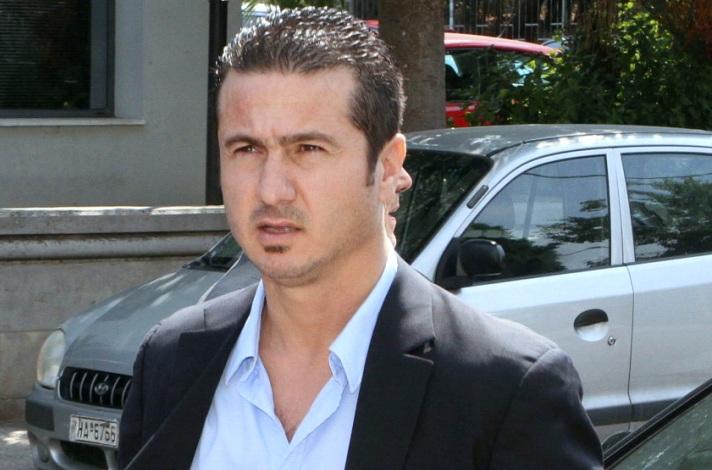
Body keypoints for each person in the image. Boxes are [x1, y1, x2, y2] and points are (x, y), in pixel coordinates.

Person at [119, 8, 602, 469]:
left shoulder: (506, 388)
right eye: (247, 149)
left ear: (388, 167)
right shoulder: (171, 359)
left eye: (308, 148)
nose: (271, 189)